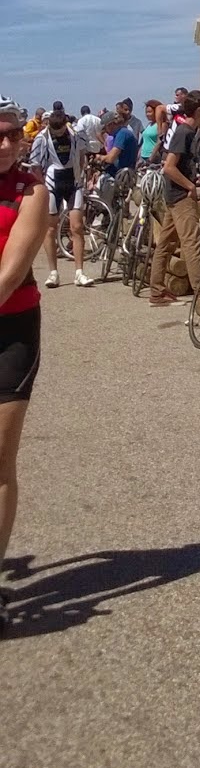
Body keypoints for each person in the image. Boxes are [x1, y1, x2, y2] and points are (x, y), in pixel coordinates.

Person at [0, 99, 49, 632]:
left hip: (10, 329)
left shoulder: (31, 190)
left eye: (14, 135)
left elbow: (10, 275)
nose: (8, 144)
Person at [149, 91, 200, 307]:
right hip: (180, 195)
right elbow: (169, 167)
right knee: (192, 243)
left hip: (174, 194)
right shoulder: (184, 132)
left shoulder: (190, 131)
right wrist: (190, 186)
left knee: (165, 243)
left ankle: (156, 291)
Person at [30, 108, 91, 288]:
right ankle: (53, 273)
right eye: (55, 132)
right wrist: (41, 186)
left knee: (77, 227)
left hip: (73, 181)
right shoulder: (41, 138)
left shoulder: (75, 134)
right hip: (52, 181)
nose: (59, 134)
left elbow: (81, 154)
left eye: (61, 131)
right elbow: (35, 165)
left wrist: (81, 175)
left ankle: (79, 272)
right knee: (50, 228)